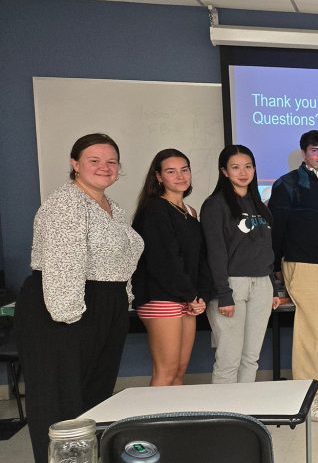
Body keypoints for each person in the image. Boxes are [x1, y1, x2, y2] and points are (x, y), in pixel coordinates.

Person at [16, 133, 145, 463]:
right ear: (75, 165)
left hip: (104, 304)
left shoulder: (112, 208)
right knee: (60, 403)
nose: (105, 167)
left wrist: (121, 300)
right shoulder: (66, 203)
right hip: (65, 308)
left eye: (111, 161)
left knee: (93, 398)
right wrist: (69, 316)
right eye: (94, 160)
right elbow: (64, 260)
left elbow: (120, 260)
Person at [267, 130, 318, 421]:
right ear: (303, 153)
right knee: (309, 330)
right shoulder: (287, 184)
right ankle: (305, 398)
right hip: (299, 263)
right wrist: (274, 269)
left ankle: (317, 387)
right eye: (315, 150)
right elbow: (277, 229)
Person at [202, 145, 285, 384]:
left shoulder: (260, 206)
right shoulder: (215, 205)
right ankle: (225, 418)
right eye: (235, 167)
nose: (243, 172)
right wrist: (223, 294)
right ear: (224, 172)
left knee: (251, 358)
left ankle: (245, 415)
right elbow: (215, 252)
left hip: (261, 285)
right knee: (229, 359)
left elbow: (265, 250)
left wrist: (271, 287)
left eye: (248, 166)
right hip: (232, 285)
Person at [132, 149, 211, 387]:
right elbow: (164, 260)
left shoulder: (190, 212)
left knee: (179, 370)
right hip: (160, 296)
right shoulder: (155, 209)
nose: (180, 176)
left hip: (186, 297)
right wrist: (190, 294)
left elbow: (198, 259)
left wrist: (199, 296)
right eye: (171, 171)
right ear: (158, 177)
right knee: (165, 372)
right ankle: (153, 423)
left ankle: (175, 423)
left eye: (184, 170)